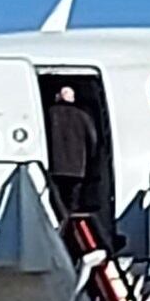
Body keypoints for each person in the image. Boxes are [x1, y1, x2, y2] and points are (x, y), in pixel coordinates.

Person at [44, 84, 115, 252]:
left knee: (57, 201)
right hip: (77, 168)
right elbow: (93, 141)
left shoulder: (49, 115)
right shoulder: (83, 116)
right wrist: (89, 160)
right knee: (73, 202)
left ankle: (59, 227)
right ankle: (71, 232)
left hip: (56, 167)